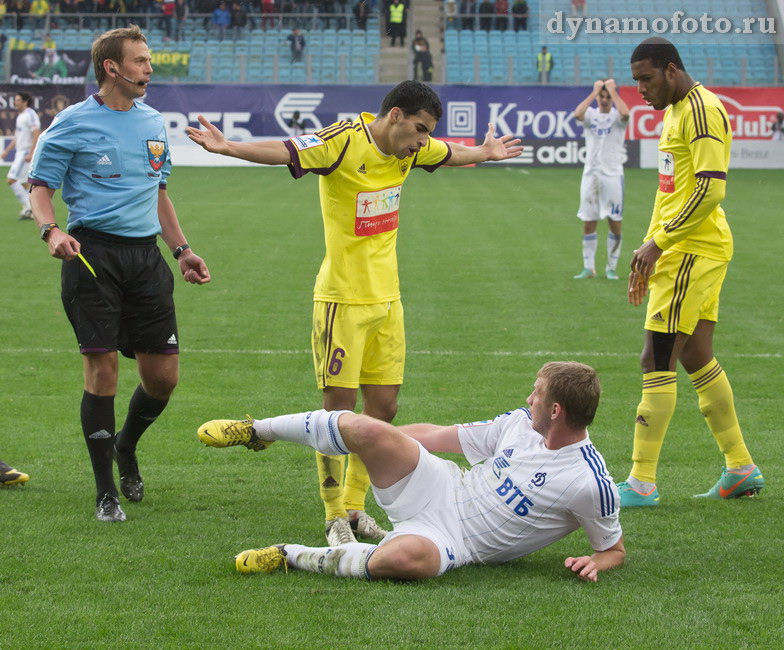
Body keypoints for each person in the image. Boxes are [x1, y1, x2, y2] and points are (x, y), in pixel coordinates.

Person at [186, 80, 522, 546]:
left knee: (382, 408)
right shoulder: (343, 140)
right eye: (420, 129)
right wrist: (229, 147)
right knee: (337, 413)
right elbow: (285, 151)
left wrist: (484, 152)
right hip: (342, 300)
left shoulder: (410, 149)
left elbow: (449, 153)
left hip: (388, 301)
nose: (424, 141)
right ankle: (333, 517)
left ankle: (357, 507)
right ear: (396, 115)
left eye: (428, 133)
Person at [198, 362, 626, 582]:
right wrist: (378, 440)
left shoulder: (590, 483)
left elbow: (614, 549)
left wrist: (596, 562)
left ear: (555, 410)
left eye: (536, 394)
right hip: (442, 485)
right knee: (363, 426)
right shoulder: (518, 423)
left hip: (456, 543)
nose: (528, 397)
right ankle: (257, 431)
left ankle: (288, 554)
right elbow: (440, 436)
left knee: (402, 559)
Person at [27, 25, 211, 523]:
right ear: (112, 67)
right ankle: (105, 491)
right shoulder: (71, 123)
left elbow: (159, 193)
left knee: (163, 378)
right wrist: (51, 231)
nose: (149, 69)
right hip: (92, 258)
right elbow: (39, 185)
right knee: (102, 371)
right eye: (141, 61)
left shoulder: (154, 121)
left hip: (146, 260)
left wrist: (182, 250)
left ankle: (125, 446)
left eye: (149, 61)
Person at [618, 37, 764, 507]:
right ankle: (740, 466)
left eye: (646, 78)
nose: (640, 89)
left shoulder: (701, 110)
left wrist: (659, 243)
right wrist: (648, 249)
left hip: (691, 250)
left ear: (672, 70)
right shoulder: (676, 112)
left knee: (655, 358)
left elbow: (710, 189)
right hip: (686, 248)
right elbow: (670, 192)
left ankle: (641, 483)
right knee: (697, 354)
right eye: (636, 80)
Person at [572, 79, 630, 280]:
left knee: (614, 222)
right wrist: (593, 92)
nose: (605, 100)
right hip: (590, 175)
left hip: (613, 175)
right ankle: (589, 267)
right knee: (589, 221)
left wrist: (613, 92)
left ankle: (611, 267)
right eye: (601, 96)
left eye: (608, 97)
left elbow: (625, 114)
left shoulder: (616, 117)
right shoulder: (590, 115)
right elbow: (577, 114)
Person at [2, 92, 40, 221]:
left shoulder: (30, 114)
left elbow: (36, 133)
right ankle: (35, 208)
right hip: (20, 152)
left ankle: (29, 207)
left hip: (25, 153)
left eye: (17, 100)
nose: (15, 102)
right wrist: (6, 151)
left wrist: (31, 152)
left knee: (11, 179)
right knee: (24, 183)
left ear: (24, 101)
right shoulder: (21, 116)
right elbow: (17, 138)